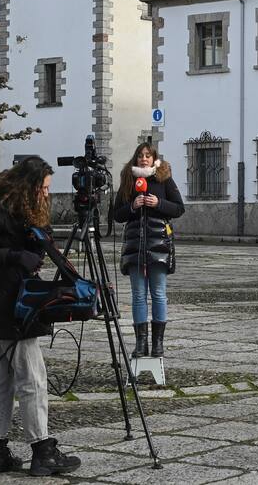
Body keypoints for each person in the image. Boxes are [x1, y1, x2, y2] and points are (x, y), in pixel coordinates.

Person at [0, 156, 82, 478]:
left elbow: (37, 246)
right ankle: (42, 450)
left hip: (8, 303)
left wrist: (36, 240)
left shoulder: (22, 210)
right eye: (43, 188)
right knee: (32, 379)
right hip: (8, 305)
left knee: (2, 380)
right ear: (28, 186)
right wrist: (16, 256)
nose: (46, 194)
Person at [111, 143, 184, 359]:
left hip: (158, 244)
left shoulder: (163, 178)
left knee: (159, 294)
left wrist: (158, 203)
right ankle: (141, 342)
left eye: (148, 156)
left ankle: (158, 343)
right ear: (136, 158)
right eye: (141, 156)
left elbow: (179, 208)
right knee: (138, 295)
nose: (144, 159)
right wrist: (133, 206)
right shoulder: (128, 179)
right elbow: (117, 214)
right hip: (135, 246)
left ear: (154, 159)